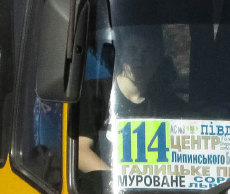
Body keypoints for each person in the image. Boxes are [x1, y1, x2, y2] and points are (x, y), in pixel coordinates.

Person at [77, 27, 184, 173]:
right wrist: (120, 183)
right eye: (132, 50)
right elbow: (80, 152)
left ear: (158, 58)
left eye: (148, 51)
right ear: (121, 55)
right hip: (105, 193)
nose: (139, 58)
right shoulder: (95, 93)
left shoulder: (170, 106)